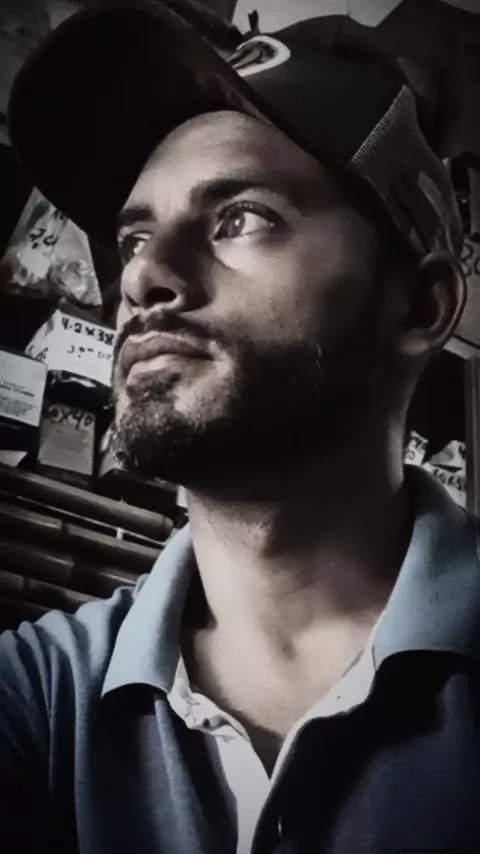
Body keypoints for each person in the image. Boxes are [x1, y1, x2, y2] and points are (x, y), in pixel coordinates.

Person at [1, 2, 476, 853]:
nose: (141, 278)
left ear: (419, 305)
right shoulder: (39, 695)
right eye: (132, 239)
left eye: (238, 218)